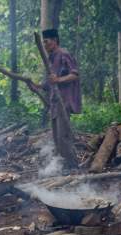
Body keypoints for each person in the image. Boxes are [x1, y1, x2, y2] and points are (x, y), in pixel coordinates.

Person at [41, 27, 82, 156]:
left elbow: (75, 75)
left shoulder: (64, 54)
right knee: (56, 137)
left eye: (46, 41)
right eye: (43, 42)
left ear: (55, 40)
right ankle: (60, 165)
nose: (45, 45)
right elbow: (49, 84)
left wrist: (58, 79)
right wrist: (36, 86)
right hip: (54, 103)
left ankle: (71, 165)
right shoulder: (51, 58)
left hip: (64, 102)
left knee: (63, 136)